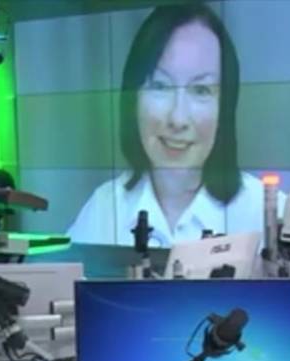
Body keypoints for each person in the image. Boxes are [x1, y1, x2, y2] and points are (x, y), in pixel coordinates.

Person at [67, 3, 277, 247]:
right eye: (160, 86)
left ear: (225, 107)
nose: (178, 119)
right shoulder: (104, 210)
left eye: (201, 90)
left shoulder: (266, 214)